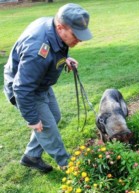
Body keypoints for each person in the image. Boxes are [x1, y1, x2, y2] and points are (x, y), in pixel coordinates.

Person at [3, 3, 92, 173]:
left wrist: (64, 58)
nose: (79, 40)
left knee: (55, 116)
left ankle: (31, 156)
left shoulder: (52, 28)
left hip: (39, 83)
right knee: (45, 125)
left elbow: (55, 46)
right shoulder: (37, 50)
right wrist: (32, 119)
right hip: (26, 90)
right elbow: (21, 88)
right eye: (76, 35)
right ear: (60, 27)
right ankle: (69, 166)